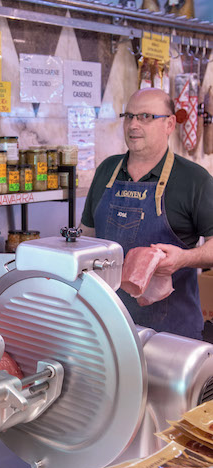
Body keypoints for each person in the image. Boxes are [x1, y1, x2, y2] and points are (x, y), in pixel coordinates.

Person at [80, 87, 213, 340]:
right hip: (107, 325)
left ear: (170, 124)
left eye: (146, 117)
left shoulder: (195, 180)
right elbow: (86, 237)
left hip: (171, 334)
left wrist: (184, 259)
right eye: (129, 116)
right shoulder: (106, 170)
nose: (133, 124)